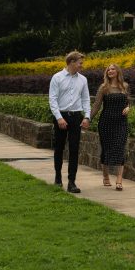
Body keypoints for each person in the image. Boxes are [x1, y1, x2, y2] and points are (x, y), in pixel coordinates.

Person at [48, 51, 90, 193]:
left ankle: (72, 182)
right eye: (80, 63)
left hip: (76, 117)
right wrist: (59, 117)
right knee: (59, 148)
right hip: (61, 115)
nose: (81, 65)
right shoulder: (57, 78)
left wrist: (87, 116)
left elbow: (86, 99)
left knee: (74, 149)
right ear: (71, 62)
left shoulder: (83, 79)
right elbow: (52, 99)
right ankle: (58, 177)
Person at [90, 63, 130, 190]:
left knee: (120, 148)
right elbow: (96, 105)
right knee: (106, 149)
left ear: (118, 71)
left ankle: (119, 180)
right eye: (108, 69)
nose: (110, 71)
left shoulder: (125, 86)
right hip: (106, 122)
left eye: (113, 69)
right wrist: (88, 118)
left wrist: (129, 108)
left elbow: (128, 102)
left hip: (121, 123)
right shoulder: (104, 87)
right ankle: (106, 176)